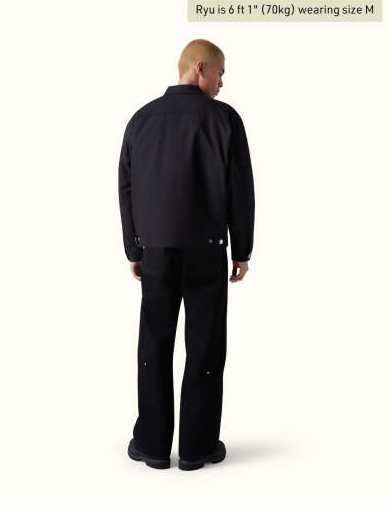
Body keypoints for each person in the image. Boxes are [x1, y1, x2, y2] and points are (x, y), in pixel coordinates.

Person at [118, 38, 255, 471]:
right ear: (200, 68)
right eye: (220, 73)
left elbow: (127, 187)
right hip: (207, 251)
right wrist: (242, 248)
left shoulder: (141, 120)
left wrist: (134, 247)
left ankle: (152, 445)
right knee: (205, 346)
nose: (222, 83)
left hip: (156, 251)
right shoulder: (224, 119)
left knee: (154, 345)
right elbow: (240, 188)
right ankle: (198, 448)